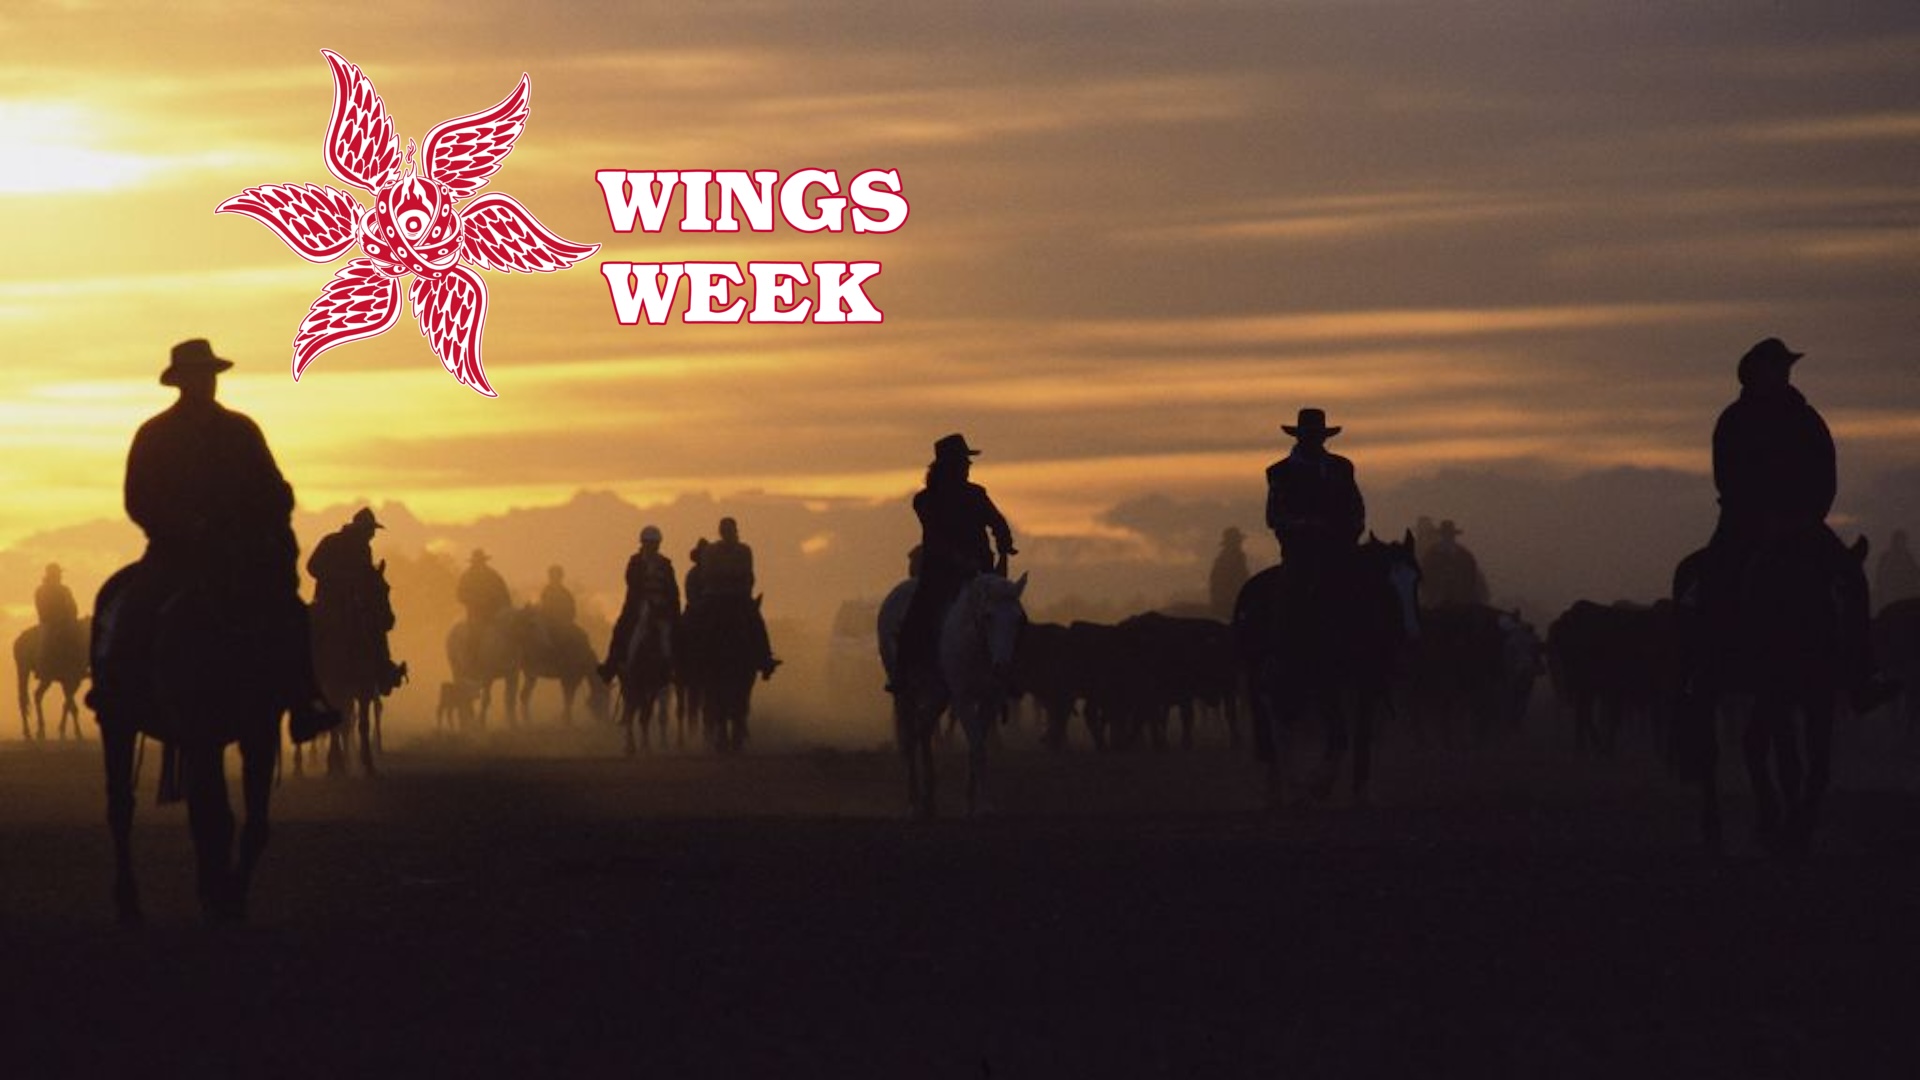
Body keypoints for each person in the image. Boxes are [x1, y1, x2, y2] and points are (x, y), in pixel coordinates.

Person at [115, 338, 337, 740]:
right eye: (198, 375)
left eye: (210, 375)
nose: (206, 382)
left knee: (291, 613)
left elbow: (273, 488)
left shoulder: (241, 431)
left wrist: (268, 513)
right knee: (136, 609)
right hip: (173, 553)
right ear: (181, 381)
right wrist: (184, 527)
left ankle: (305, 697)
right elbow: (138, 499)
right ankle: (120, 693)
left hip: (239, 552)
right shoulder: (155, 435)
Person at [1704, 337, 1896, 712]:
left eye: (1785, 367)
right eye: (1777, 367)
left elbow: (1826, 473)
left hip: (1803, 522)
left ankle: (1862, 674)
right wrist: (1760, 517)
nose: (1783, 374)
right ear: (1756, 372)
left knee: (1851, 579)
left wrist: (1807, 516)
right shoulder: (1735, 420)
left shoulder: (1806, 419)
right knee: (1712, 580)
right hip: (1745, 524)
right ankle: (1706, 671)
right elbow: (1727, 476)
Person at [895, 433, 1016, 678]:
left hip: (980, 571)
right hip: (941, 572)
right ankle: (903, 671)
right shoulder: (926, 500)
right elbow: (936, 535)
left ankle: (1012, 671)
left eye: (967, 462)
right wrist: (959, 559)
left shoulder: (976, 494)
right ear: (950, 465)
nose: (968, 466)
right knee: (918, 614)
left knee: (1010, 613)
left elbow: (997, 521)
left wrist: (1004, 541)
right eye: (963, 461)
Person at [1265, 408, 1365, 576]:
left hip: (1340, 546)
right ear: (1299, 437)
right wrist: (1303, 525)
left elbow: (1356, 507)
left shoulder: (1342, 468)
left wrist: (1349, 531)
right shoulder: (1279, 473)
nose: (1313, 441)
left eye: (1316, 435)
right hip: (1299, 551)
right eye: (1309, 435)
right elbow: (1274, 516)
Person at [307, 507, 397, 692]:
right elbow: (313, 566)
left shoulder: (365, 549)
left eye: (373, 530)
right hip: (327, 601)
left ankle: (383, 668)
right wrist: (339, 577)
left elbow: (364, 576)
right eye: (371, 529)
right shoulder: (331, 541)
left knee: (376, 625)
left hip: (355, 603)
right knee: (310, 628)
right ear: (361, 528)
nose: (373, 534)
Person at [692, 516, 777, 677]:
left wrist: (727, 577)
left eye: (730, 531)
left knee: (755, 620)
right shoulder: (711, 551)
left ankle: (765, 657)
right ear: (720, 532)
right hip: (714, 596)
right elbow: (708, 574)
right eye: (724, 531)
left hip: (738, 597)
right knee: (694, 618)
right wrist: (730, 576)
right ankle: (689, 658)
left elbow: (747, 573)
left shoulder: (744, 550)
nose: (727, 534)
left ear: (735, 531)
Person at [599, 525, 680, 682]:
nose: (652, 547)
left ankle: (673, 668)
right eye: (649, 543)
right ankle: (613, 665)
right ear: (643, 543)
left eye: (655, 543)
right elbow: (632, 583)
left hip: (662, 608)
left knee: (670, 633)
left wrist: (671, 607)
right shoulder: (635, 562)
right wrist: (647, 598)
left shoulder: (665, 563)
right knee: (623, 630)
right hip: (639, 606)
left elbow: (672, 588)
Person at [1419, 519, 1489, 609]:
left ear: (1453, 536)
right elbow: (1425, 579)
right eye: (1445, 535)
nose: (1447, 537)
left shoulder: (1465, 556)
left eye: (1449, 535)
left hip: (1462, 604)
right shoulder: (1431, 556)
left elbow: (1471, 579)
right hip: (1436, 604)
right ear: (1441, 536)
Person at [456, 549, 512, 629]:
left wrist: (507, 608)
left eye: (480, 561)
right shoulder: (467, 577)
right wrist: (475, 601)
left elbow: (504, 593)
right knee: (474, 633)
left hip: (495, 612)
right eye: (477, 562)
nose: (479, 564)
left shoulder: (493, 575)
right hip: (475, 614)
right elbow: (460, 594)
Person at [1208, 527, 1250, 621]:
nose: (1239, 544)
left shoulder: (1223, 559)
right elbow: (1240, 580)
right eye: (1237, 541)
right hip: (1229, 602)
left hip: (1225, 601)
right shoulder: (1235, 559)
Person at [1875, 529, 1920, 612]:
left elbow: (1916, 574)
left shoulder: (1908, 557)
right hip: (1891, 595)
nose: (1901, 543)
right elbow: (1880, 576)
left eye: (1903, 540)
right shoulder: (1886, 557)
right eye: (1899, 540)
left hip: (1905, 593)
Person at [538, 565, 578, 633]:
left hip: (564, 626)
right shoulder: (545, 592)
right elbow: (542, 607)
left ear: (561, 577)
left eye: (557, 577)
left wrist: (565, 622)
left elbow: (572, 611)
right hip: (547, 625)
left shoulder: (566, 594)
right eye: (552, 577)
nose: (554, 579)